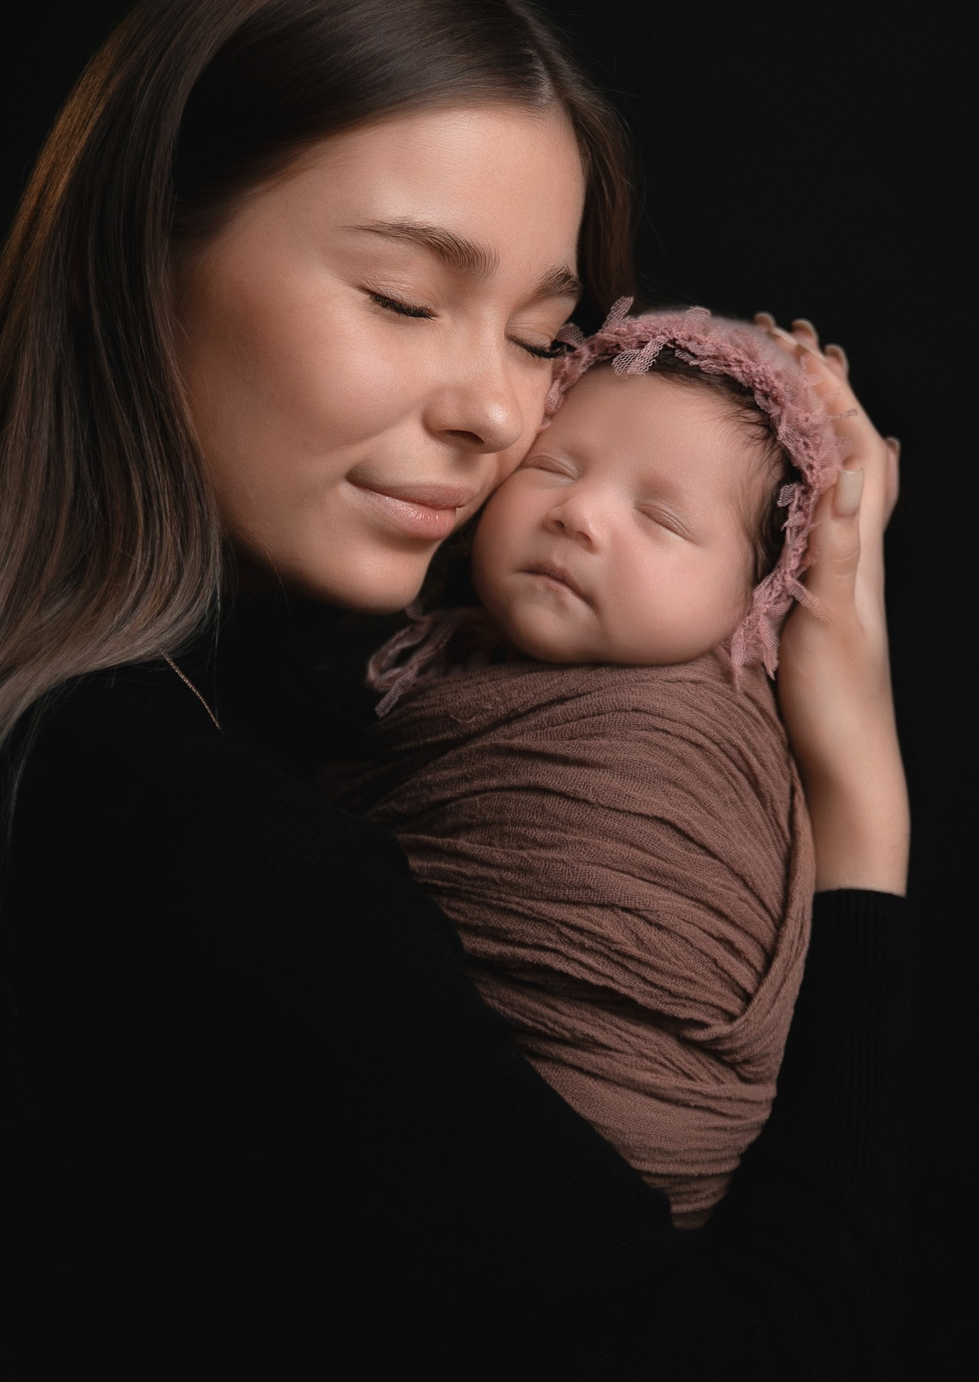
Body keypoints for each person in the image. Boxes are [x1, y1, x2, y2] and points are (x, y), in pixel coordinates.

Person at [0, 0, 909, 1379]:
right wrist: (860, 813)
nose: (495, 409)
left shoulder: (117, 731)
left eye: (543, 336)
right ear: (139, 258)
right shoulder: (200, 843)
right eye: (405, 298)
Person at [328, 303, 843, 1227]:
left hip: (559, 1209)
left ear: (757, 597)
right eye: (553, 466)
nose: (578, 514)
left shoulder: (677, 756)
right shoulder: (440, 662)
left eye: (661, 516)